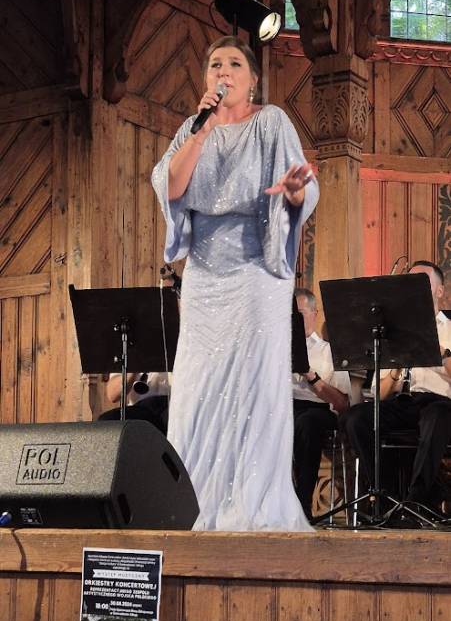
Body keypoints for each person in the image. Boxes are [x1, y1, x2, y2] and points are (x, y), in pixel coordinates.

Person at [151, 35, 319, 531]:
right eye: (215, 65)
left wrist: (295, 192)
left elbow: (301, 187)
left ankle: (253, 505)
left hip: (256, 272)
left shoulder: (272, 121)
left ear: (252, 80)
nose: (223, 71)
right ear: (206, 79)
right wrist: (200, 133)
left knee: (252, 388)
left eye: (234, 64)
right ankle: (193, 502)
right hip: (204, 275)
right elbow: (171, 186)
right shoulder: (192, 128)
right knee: (196, 389)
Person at [344, 260, 451, 510]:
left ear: (440, 291)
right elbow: (379, 395)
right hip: (404, 401)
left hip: (441, 404)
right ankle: (387, 496)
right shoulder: (394, 334)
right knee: (356, 418)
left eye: (421, 283)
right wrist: (397, 368)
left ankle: (416, 501)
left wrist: (441, 353)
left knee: (436, 415)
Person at [292, 288, 351, 520]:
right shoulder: (274, 350)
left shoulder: (328, 351)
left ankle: (302, 504)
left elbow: (342, 403)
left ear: (315, 314)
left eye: (300, 313)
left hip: (317, 409)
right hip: (283, 407)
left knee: (307, 423)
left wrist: (310, 374)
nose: (295, 320)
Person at [98, 372, 170, 434]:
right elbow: (112, 395)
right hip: (142, 409)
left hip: (171, 404)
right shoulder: (128, 359)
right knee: (106, 423)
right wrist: (132, 371)